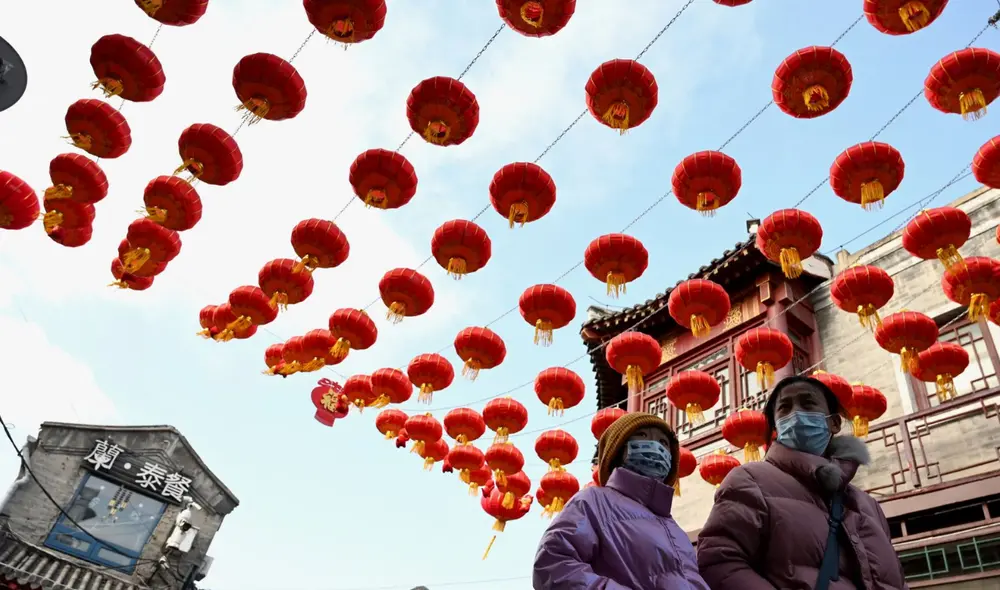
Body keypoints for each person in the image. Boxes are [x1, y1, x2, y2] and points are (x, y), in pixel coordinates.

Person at [697, 376, 908, 589]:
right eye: (784, 408)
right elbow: (719, 561)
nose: (795, 414)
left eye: (807, 403)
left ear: (833, 422)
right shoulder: (750, 480)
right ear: (776, 427)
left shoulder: (868, 505)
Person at [533, 412, 709, 589]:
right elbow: (553, 563)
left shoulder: (673, 527)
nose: (656, 447)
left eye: (663, 443)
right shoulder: (593, 502)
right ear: (618, 449)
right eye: (642, 436)